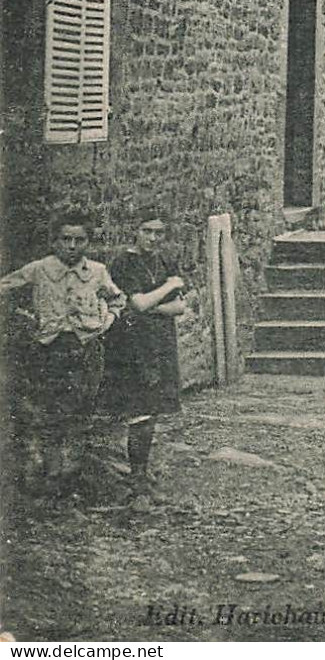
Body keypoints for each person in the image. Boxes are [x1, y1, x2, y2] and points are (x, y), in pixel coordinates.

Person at [0, 209, 125, 496]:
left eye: (78, 240)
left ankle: (73, 480)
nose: (71, 246)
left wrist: (107, 321)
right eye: (65, 239)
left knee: (81, 413)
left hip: (85, 351)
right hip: (48, 351)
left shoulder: (97, 271)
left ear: (87, 242)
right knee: (49, 412)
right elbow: (5, 287)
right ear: (54, 241)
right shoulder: (39, 268)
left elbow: (117, 299)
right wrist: (21, 319)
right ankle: (50, 478)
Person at [102, 212, 190, 510]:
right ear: (134, 231)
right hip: (132, 345)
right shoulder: (123, 263)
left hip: (160, 344)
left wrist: (151, 304)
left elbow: (180, 307)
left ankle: (141, 475)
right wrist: (166, 289)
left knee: (152, 411)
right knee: (139, 410)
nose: (153, 238)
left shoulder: (165, 262)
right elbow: (135, 303)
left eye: (159, 233)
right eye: (147, 231)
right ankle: (136, 479)